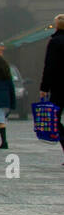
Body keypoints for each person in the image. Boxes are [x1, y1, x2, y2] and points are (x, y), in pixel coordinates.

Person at [38, 13, 64, 164]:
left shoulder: (55, 42)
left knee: (54, 119)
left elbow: (50, 66)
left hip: (59, 86)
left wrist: (44, 87)